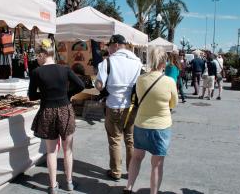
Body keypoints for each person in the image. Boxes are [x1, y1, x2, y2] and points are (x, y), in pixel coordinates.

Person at [28, 39, 85, 194]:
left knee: (51, 151)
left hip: (47, 111)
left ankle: (53, 186)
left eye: (37, 55)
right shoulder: (65, 69)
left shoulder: (36, 72)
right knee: (68, 150)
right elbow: (81, 85)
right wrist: (67, 94)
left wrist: (45, 94)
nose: (36, 59)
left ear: (42, 54)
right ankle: (69, 183)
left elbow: (31, 96)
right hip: (65, 110)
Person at [124, 46, 178, 194]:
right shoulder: (169, 81)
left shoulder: (141, 79)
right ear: (163, 62)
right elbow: (174, 103)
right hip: (161, 127)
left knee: (136, 157)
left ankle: (128, 187)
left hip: (141, 124)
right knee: (157, 164)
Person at [95, 34, 142, 181]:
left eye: (109, 46)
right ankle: (130, 171)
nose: (108, 49)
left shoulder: (107, 62)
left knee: (115, 139)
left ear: (115, 45)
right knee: (130, 139)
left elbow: (99, 85)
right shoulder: (137, 62)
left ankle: (116, 172)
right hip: (132, 106)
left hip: (114, 105)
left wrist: (96, 84)